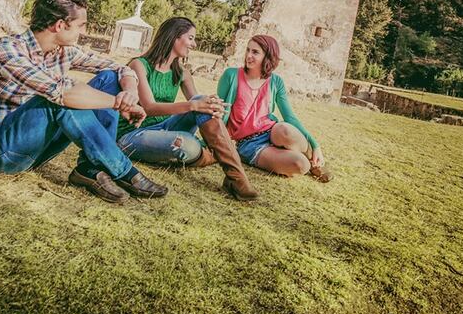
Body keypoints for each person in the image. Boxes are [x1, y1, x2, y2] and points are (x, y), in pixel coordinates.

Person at [0, 0, 167, 204]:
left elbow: (120, 68)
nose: (84, 32)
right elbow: (61, 93)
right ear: (60, 25)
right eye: (81, 25)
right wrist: (119, 104)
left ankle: (90, 169)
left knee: (109, 79)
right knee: (58, 99)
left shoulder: (63, 51)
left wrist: (130, 94)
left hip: (36, 150)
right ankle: (124, 171)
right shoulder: (7, 51)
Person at [116, 17, 259, 201]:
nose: (194, 44)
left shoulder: (182, 72)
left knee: (201, 102)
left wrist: (211, 105)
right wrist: (193, 105)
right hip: (133, 134)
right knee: (188, 145)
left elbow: (199, 106)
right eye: (190, 38)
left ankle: (237, 178)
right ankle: (208, 154)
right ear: (174, 36)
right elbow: (149, 107)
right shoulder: (139, 65)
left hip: (167, 127)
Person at [216, 35, 331, 181]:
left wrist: (315, 145)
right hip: (249, 143)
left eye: (255, 52)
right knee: (300, 165)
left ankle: (316, 161)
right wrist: (213, 142)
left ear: (268, 56)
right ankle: (305, 162)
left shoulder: (276, 81)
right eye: (248, 50)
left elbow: (289, 117)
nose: (249, 55)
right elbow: (218, 112)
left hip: (272, 132)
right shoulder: (231, 75)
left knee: (285, 129)